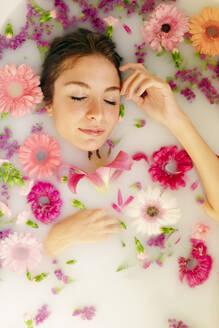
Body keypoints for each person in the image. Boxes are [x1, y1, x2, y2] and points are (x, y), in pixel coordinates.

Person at [41, 28, 219, 256]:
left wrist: (175, 119)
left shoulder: (148, 149)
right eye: (78, 96)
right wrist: (57, 237)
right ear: (49, 102)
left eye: (110, 99)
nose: (98, 114)